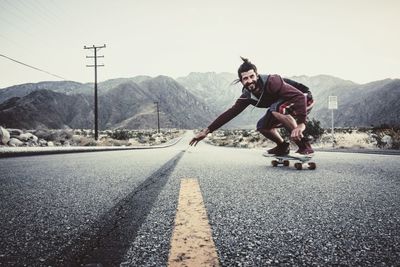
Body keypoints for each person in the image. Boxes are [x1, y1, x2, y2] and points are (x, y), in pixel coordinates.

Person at [189, 57, 315, 156]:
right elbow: (230, 113)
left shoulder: (272, 82)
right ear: (241, 81)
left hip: (304, 99)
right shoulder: (247, 96)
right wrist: (206, 131)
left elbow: (299, 96)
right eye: (245, 78)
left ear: (257, 75)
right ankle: (282, 146)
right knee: (262, 126)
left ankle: (304, 145)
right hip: (282, 106)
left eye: (252, 76)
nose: (249, 81)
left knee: (276, 109)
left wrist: (301, 124)